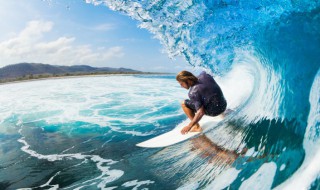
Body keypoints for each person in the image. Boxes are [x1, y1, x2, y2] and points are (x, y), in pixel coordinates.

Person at [176, 70, 227, 134]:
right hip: (223, 105)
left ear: (188, 80)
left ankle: (197, 127)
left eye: (181, 83)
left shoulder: (193, 92)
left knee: (183, 103)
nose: (181, 86)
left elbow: (200, 112)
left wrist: (189, 126)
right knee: (208, 94)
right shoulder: (205, 75)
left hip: (214, 112)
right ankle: (223, 113)